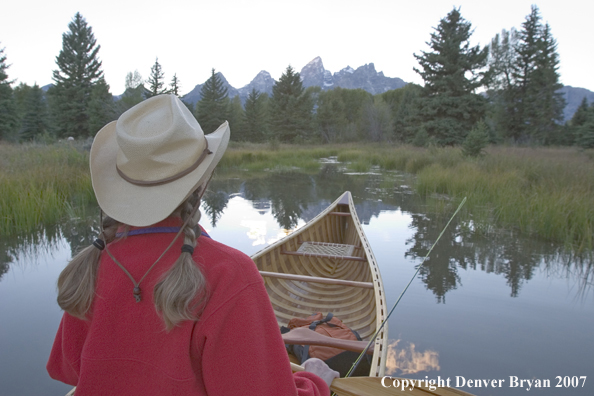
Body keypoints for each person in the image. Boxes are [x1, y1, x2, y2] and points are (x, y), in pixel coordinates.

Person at [47, 94, 339, 395]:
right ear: (202, 183)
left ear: (122, 187)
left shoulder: (90, 266)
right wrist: (315, 381)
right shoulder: (228, 272)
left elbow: (67, 368)